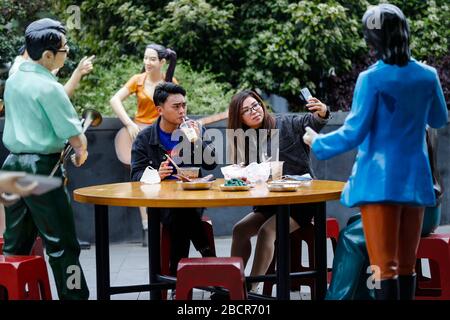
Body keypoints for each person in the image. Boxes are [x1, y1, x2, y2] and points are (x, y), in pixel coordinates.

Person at [303, 4, 448, 300]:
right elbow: (439, 119)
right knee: (407, 265)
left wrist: (316, 141)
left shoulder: (370, 79)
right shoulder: (428, 75)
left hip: (379, 181)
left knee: (384, 267)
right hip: (416, 179)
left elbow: (353, 132)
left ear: (373, 40)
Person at [1, 18, 90, 300]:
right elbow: (72, 132)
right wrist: (81, 149)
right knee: (62, 243)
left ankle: (8, 293)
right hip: (41, 168)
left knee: (15, 242)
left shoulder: (14, 79)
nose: (66, 55)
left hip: (12, 165)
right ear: (48, 55)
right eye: (64, 51)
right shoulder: (48, 86)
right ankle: (73, 296)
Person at [228, 90, 330, 292]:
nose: (254, 111)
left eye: (255, 105)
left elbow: (314, 122)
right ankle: (233, 284)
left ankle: (251, 288)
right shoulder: (245, 141)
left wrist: (323, 111)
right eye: (246, 110)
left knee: (268, 231)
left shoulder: (286, 123)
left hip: (301, 201)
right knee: (239, 230)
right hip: (270, 203)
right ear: (240, 119)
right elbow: (247, 174)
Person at [327, 127, 444, 300]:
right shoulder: (418, 118)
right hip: (427, 208)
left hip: (416, 211)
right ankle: (366, 293)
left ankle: (337, 297)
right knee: (355, 222)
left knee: (349, 237)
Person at [130, 82, 216, 275]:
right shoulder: (145, 139)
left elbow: (211, 164)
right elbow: (135, 175)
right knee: (181, 213)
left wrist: (198, 140)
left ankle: (177, 279)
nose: (182, 110)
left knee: (183, 213)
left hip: (193, 200)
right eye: (176, 107)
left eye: (184, 105)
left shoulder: (193, 130)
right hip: (161, 205)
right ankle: (208, 256)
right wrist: (155, 174)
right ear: (160, 109)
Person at [110, 44, 177, 246]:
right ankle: (147, 226)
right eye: (146, 58)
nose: (148, 63)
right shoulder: (137, 80)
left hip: (161, 135)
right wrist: (130, 123)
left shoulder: (169, 82)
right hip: (140, 135)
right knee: (142, 176)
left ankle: (166, 223)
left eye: (152, 59)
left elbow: (178, 108)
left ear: (162, 62)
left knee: (164, 174)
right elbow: (115, 100)